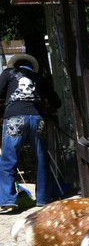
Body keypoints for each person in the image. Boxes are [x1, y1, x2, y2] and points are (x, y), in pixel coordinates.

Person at [0, 53, 61, 212]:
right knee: (41, 158)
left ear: (16, 65)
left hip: (14, 119)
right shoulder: (39, 78)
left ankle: (7, 199)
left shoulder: (8, 73)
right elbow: (57, 102)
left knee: (8, 159)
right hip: (38, 120)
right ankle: (42, 199)